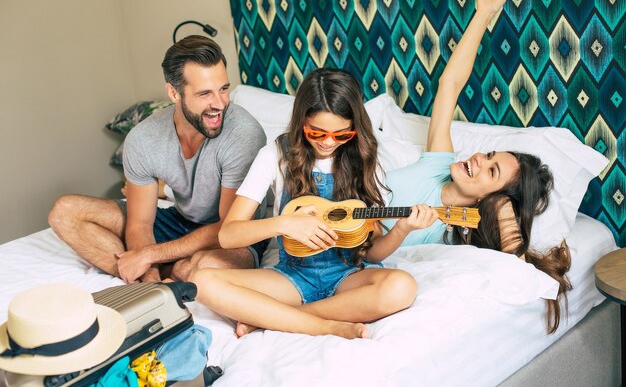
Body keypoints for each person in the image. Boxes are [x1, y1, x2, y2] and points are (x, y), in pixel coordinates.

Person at [190, 67, 440, 339]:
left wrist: (402, 230)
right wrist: (285, 224)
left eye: (342, 135)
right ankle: (324, 325)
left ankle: (275, 317)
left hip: (348, 276)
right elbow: (228, 235)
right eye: (317, 133)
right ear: (301, 121)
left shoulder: (366, 163)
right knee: (200, 280)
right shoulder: (275, 155)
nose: (329, 143)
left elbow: (371, 253)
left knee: (401, 286)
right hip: (293, 277)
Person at [383, 0, 571, 334]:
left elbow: (514, 265)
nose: (478, 160)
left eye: (491, 171)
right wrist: (482, 13)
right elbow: (449, 85)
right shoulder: (438, 162)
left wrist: (502, 205)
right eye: (487, 155)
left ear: (493, 197)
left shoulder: (453, 224)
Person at [48, 35, 267, 283]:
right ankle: (161, 277)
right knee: (65, 212)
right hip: (180, 222)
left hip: (232, 235)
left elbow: (229, 227)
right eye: (205, 93)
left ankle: (173, 271)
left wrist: (149, 254)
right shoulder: (143, 138)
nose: (219, 103)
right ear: (174, 93)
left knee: (204, 267)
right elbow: (140, 223)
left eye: (224, 89)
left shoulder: (244, 134)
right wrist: (150, 276)